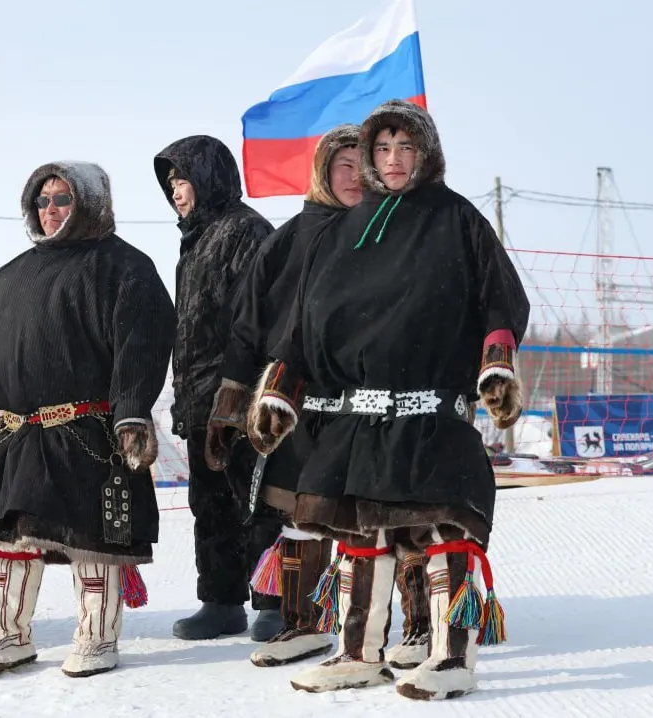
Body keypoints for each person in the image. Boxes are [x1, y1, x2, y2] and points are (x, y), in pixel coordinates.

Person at [247, 99, 530, 700]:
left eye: (406, 147)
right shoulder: (341, 231)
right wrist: (280, 389)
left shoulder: (457, 218)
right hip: (357, 415)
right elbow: (302, 323)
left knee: (441, 532)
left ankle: (452, 657)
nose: (393, 159)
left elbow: (501, 300)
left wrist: (497, 364)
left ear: (426, 153)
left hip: (431, 411)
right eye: (382, 148)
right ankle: (358, 654)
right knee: (358, 536)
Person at [0, 161, 176, 679]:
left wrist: (131, 412)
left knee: (93, 541)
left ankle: (97, 636)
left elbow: (142, 347)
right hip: (13, 433)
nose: (50, 210)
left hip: (88, 431)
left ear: (90, 203)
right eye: (41, 201)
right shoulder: (1, 281)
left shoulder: (125, 269)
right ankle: (8, 634)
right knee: (11, 540)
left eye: (62, 198)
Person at [214, 123, 429, 669]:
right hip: (296, 406)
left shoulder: (397, 231)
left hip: (376, 403)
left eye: (366, 164)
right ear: (322, 172)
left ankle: (421, 626)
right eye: (343, 166)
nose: (356, 176)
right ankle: (304, 623)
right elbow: (247, 326)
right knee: (300, 514)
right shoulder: (287, 239)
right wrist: (233, 403)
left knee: (391, 511)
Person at [153, 134, 283, 641]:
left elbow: (258, 322)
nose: (175, 191)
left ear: (208, 178)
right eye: (170, 183)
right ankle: (222, 601)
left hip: (241, 397)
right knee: (210, 504)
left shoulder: (246, 230)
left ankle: (274, 602)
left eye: (182, 179)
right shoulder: (195, 239)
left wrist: (244, 390)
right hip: (200, 399)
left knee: (258, 500)